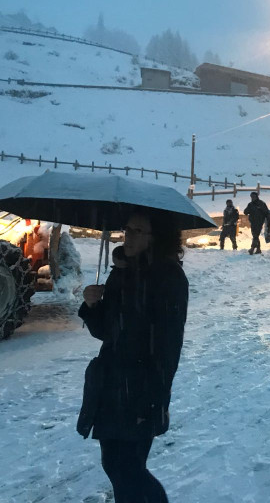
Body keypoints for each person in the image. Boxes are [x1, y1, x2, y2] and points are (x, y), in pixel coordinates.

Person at [77, 210, 189, 503]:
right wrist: (92, 306)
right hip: (112, 384)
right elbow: (107, 332)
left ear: (156, 238)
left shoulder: (168, 278)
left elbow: (168, 346)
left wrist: (154, 398)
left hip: (140, 387)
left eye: (138, 231)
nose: (128, 236)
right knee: (114, 465)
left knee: (127, 468)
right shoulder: (122, 272)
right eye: (127, 229)